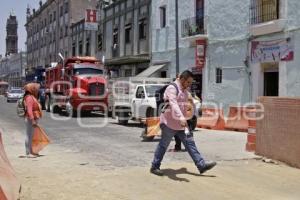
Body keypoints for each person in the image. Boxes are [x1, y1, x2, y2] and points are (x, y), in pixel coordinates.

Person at [150, 70, 216, 176]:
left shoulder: (185, 91)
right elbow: (173, 103)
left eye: (191, 82)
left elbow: (184, 106)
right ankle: (155, 166)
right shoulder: (172, 88)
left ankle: (201, 165)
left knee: (190, 143)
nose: (189, 84)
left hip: (181, 124)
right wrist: (181, 117)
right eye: (188, 82)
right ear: (182, 79)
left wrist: (188, 117)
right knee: (164, 145)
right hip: (168, 123)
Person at [23, 83, 43, 158]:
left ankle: (31, 151)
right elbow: (29, 110)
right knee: (28, 135)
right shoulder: (29, 98)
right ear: (32, 89)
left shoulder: (32, 97)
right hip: (30, 119)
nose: (38, 91)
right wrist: (33, 120)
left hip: (33, 118)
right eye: (36, 89)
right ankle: (28, 153)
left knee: (31, 136)